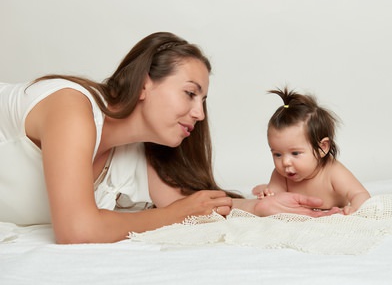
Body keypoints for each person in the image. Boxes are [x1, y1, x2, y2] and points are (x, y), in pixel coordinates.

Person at [0, 32, 339, 244]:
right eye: (190, 94)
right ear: (145, 83)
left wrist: (260, 207)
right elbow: (76, 229)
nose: (200, 114)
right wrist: (173, 215)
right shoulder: (72, 107)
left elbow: (193, 204)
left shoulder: (132, 156)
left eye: (203, 101)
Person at [252, 87, 371, 215]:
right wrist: (268, 194)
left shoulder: (332, 171)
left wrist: (354, 208)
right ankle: (263, 187)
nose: (285, 162)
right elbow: (274, 202)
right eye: (277, 154)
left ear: (323, 148)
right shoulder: (281, 175)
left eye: (295, 153)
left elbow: (360, 194)